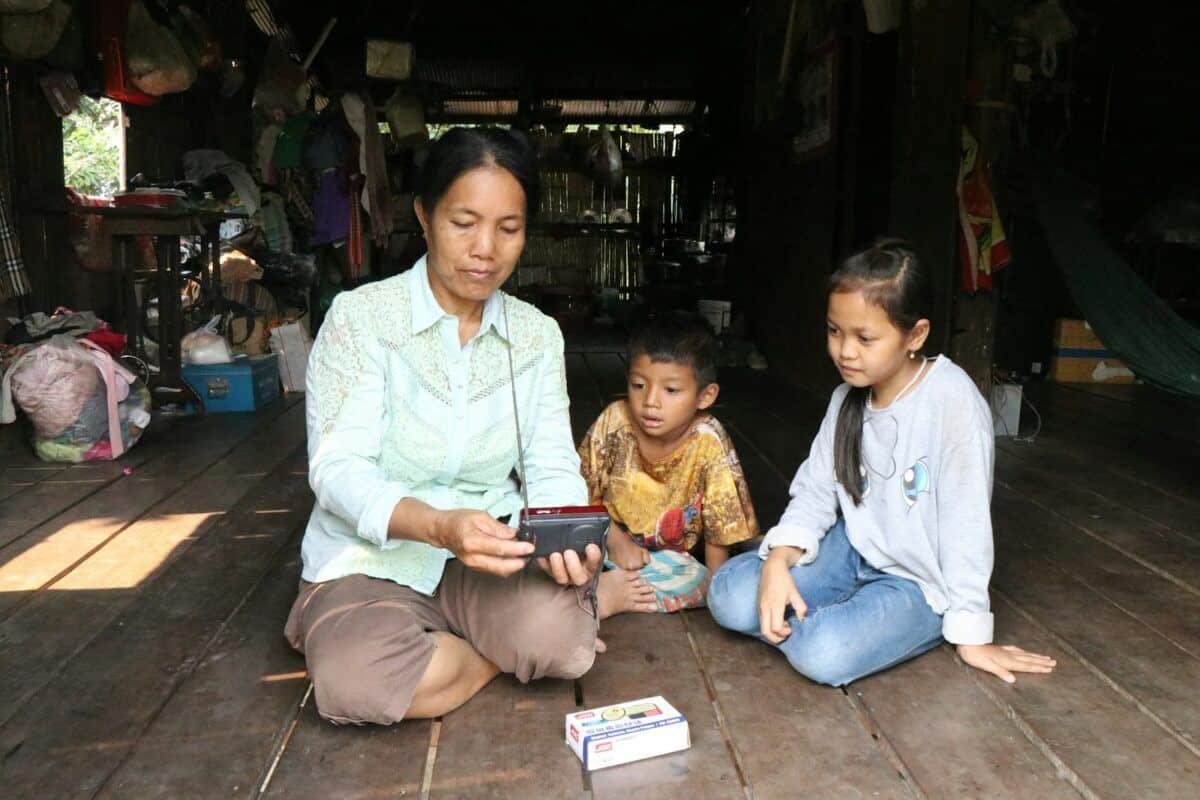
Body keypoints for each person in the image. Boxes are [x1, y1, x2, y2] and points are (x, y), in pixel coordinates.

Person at [284, 128, 604, 726]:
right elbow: (337, 470)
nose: (486, 248)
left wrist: (565, 538)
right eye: (464, 223)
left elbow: (551, 462)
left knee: (562, 646)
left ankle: (463, 650)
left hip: (491, 555)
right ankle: (493, 652)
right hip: (371, 559)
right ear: (424, 216)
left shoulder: (536, 336)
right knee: (356, 686)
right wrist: (437, 526)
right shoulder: (363, 319)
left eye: (508, 228)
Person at [707, 240, 1056, 686]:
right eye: (835, 331)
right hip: (850, 548)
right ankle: (830, 615)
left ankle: (857, 624)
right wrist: (779, 560)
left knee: (824, 653)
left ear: (916, 335)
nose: (845, 351)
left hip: (917, 581)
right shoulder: (846, 398)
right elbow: (816, 490)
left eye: (864, 338)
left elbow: (966, 525)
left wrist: (970, 632)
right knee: (729, 597)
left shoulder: (952, 401)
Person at [579, 313, 759, 617]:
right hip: (603, 540)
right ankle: (604, 589)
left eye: (671, 390)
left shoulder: (707, 438)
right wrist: (615, 538)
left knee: (700, 581)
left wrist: (718, 591)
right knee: (565, 558)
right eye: (638, 385)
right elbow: (579, 490)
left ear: (705, 396)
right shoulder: (614, 421)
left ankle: (608, 593)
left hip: (672, 561)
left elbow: (718, 524)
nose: (650, 401)